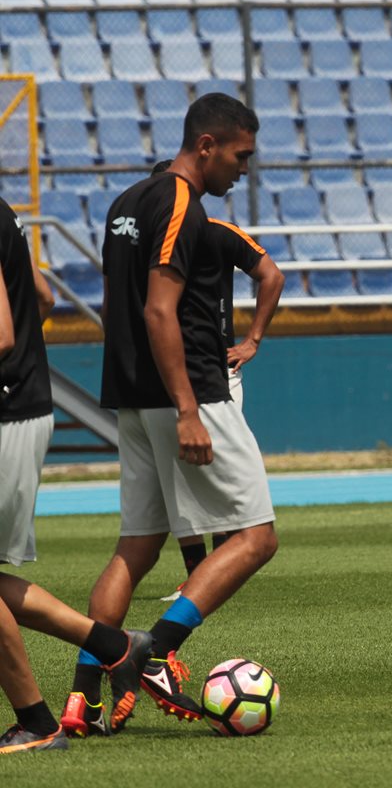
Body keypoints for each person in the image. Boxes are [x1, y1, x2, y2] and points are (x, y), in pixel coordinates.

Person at [61, 94, 278, 736]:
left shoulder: (127, 201)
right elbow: (160, 311)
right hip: (189, 393)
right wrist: (188, 409)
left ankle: (82, 694)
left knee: (136, 545)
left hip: (129, 394)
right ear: (206, 145)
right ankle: (148, 652)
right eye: (241, 155)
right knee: (256, 536)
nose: (244, 169)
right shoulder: (182, 204)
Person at [0, 193, 151, 750]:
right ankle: (114, 646)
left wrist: (12, 370)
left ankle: (38, 725)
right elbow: (39, 296)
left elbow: (1, 333)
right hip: (23, 405)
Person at [145, 160, 285, 603]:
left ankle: (222, 570)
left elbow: (272, 275)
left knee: (215, 472)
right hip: (164, 377)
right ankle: (198, 577)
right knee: (177, 475)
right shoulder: (149, 243)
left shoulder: (216, 231)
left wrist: (252, 341)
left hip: (214, 373)